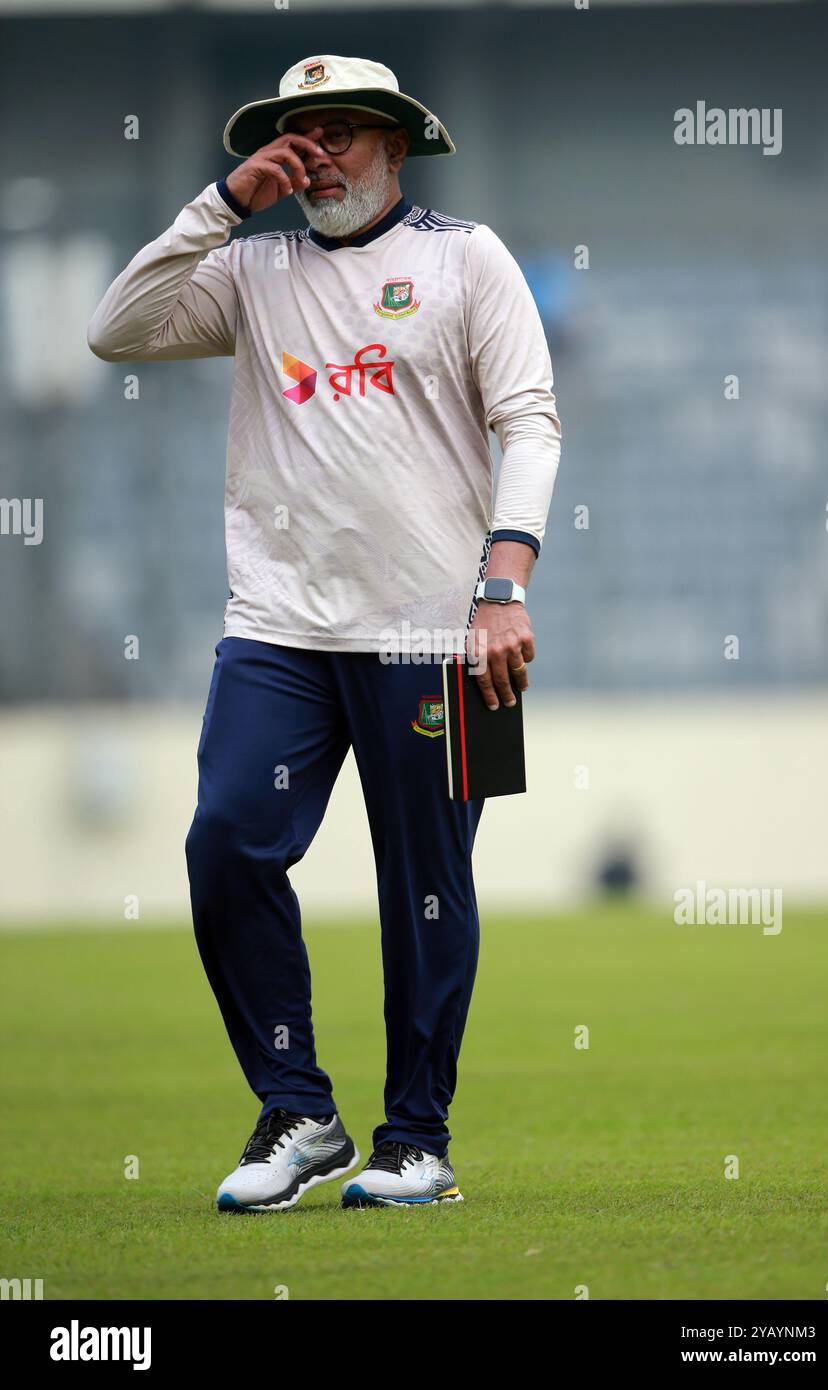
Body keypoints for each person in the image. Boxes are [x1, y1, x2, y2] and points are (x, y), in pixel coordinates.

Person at [87, 54, 560, 1210]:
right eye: (299, 134)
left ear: (397, 145)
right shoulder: (250, 268)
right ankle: (297, 1110)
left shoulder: (464, 257)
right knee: (227, 840)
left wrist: (502, 586)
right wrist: (222, 202)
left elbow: (530, 422)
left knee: (427, 888)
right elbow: (117, 330)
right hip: (279, 628)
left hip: (432, 635)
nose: (317, 154)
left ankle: (418, 1139)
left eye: (342, 132)